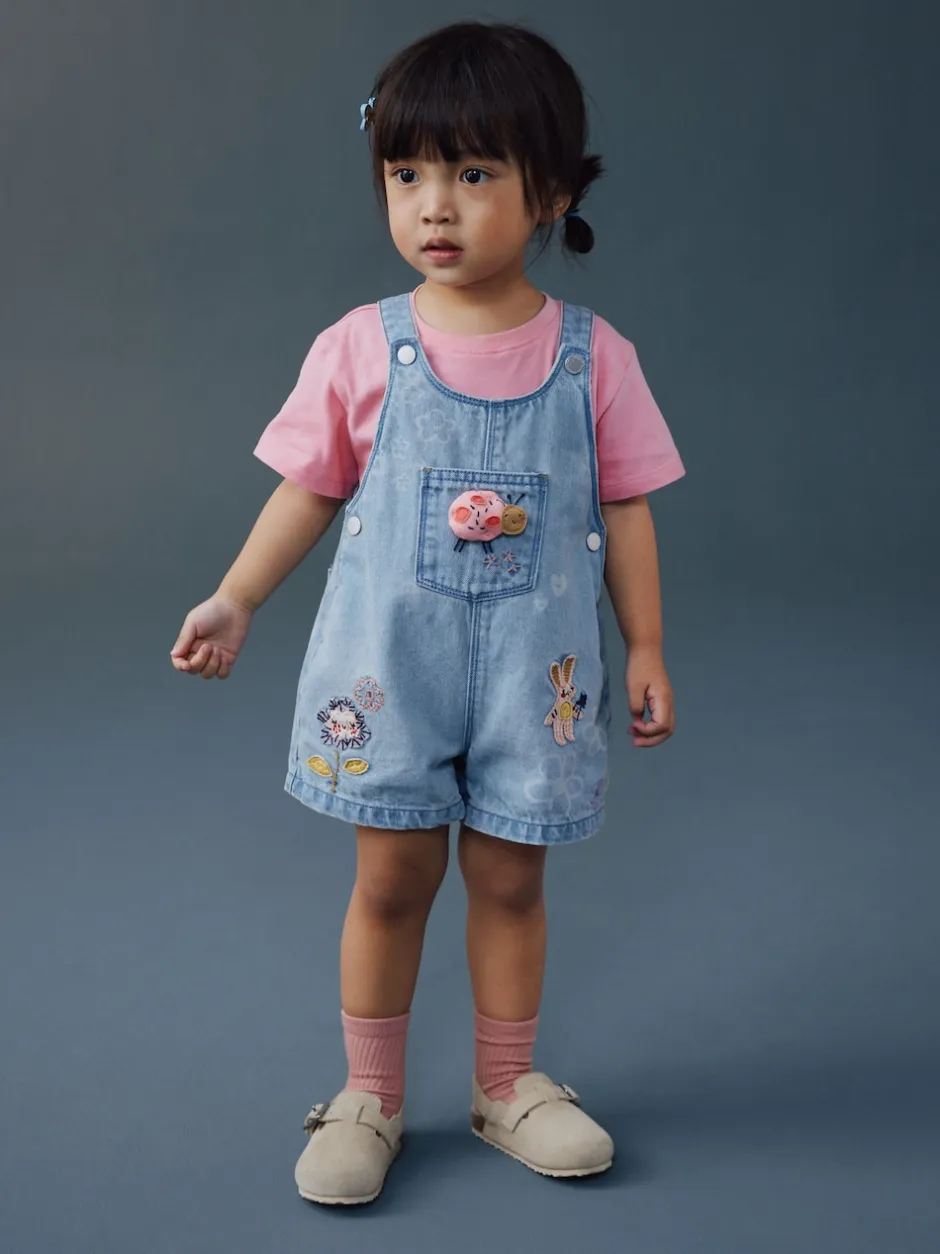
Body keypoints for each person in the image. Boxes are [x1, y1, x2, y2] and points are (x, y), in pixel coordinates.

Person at [170, 20, 685, 1206]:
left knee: (510, 881)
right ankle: (369, 1098)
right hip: (386, 677)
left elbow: (627, 509)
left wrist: (648, 643)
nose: (434, 206)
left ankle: (506, 1084)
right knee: (392, 880)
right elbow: (306, 490)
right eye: (406, 175)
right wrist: (236, 597)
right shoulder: (364, 348)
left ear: (551, 192)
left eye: (474, 173)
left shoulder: (592, 359)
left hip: (535, 683)